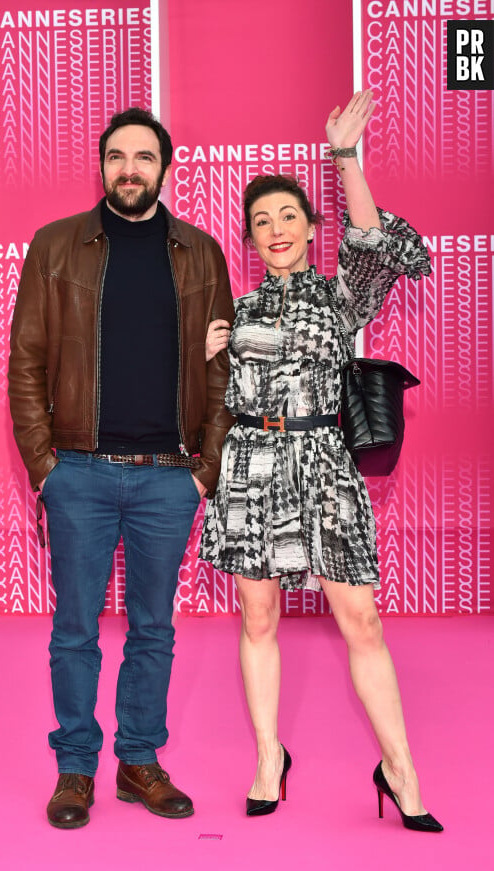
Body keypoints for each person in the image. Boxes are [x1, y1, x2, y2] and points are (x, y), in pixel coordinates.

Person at [200, 91, 443, 831]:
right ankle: (270, 756)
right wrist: (212, 351)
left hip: (322, 462)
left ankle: (399, 768)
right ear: (250, 238)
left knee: (360, 620)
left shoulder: (338, 298)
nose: (275, 229)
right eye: (261, 221)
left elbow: (372, 243)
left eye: (288, 217)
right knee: (259, 615)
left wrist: (344, 158)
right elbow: (211, 391)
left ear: (310, 227)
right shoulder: (237, 312)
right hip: (251, 466)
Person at [8, 107, 235, 828]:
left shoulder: (200, 253)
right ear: (101, 165)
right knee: (73, 628)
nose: (129, 168)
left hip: (169, 475)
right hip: (79, 472)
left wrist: (205, 470)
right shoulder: (55, 246)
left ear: (166, 168)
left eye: (143, 157)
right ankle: (75, 768)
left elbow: (226, 372)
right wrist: (45, 466)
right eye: (116, 156)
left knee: (154, 630)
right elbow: (25, 363)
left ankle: (139, 759)